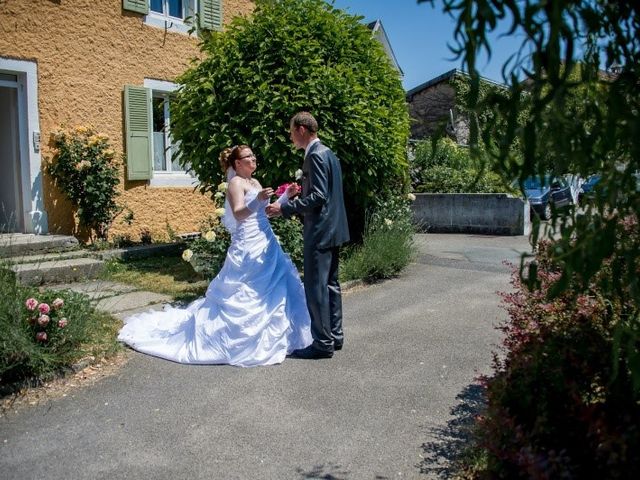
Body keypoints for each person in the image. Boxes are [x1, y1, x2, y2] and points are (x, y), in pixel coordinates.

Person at [118, 145, 312, 367]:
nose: (253, 158)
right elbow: (239, 213)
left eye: (253, 154)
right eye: (248, 156)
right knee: (242, 289)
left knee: (275, 286)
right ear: (237, 163)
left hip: (265, 240)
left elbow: (266, 212)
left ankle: (278, 336)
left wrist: (285, 197)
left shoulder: (255, 183)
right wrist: (257, 199)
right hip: (247, 242)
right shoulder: (235, 183)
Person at [266, 112, 350, 359]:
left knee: (316, 288)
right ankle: (335, 336)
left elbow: (320, 196)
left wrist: (285, 207)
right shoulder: (329, 153)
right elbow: (326, 193)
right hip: (334, 228)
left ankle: (322, 343)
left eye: (292, 131)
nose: (291, 137)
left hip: (320, 231)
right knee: (331, 285)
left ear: (302, 129)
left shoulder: (314, 155)